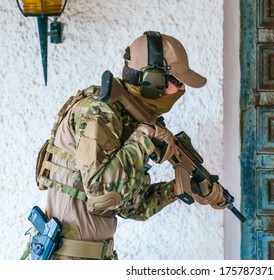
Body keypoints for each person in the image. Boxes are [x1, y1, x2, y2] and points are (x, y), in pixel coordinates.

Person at [22, 31, 228, 260]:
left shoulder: (129, 119)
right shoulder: (99, 111)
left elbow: (128, 206)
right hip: (66, 257)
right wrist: (142, 139)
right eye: (177, 82)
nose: (182, 90)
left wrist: (178, 189)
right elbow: (100, 189)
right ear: (153, 81)